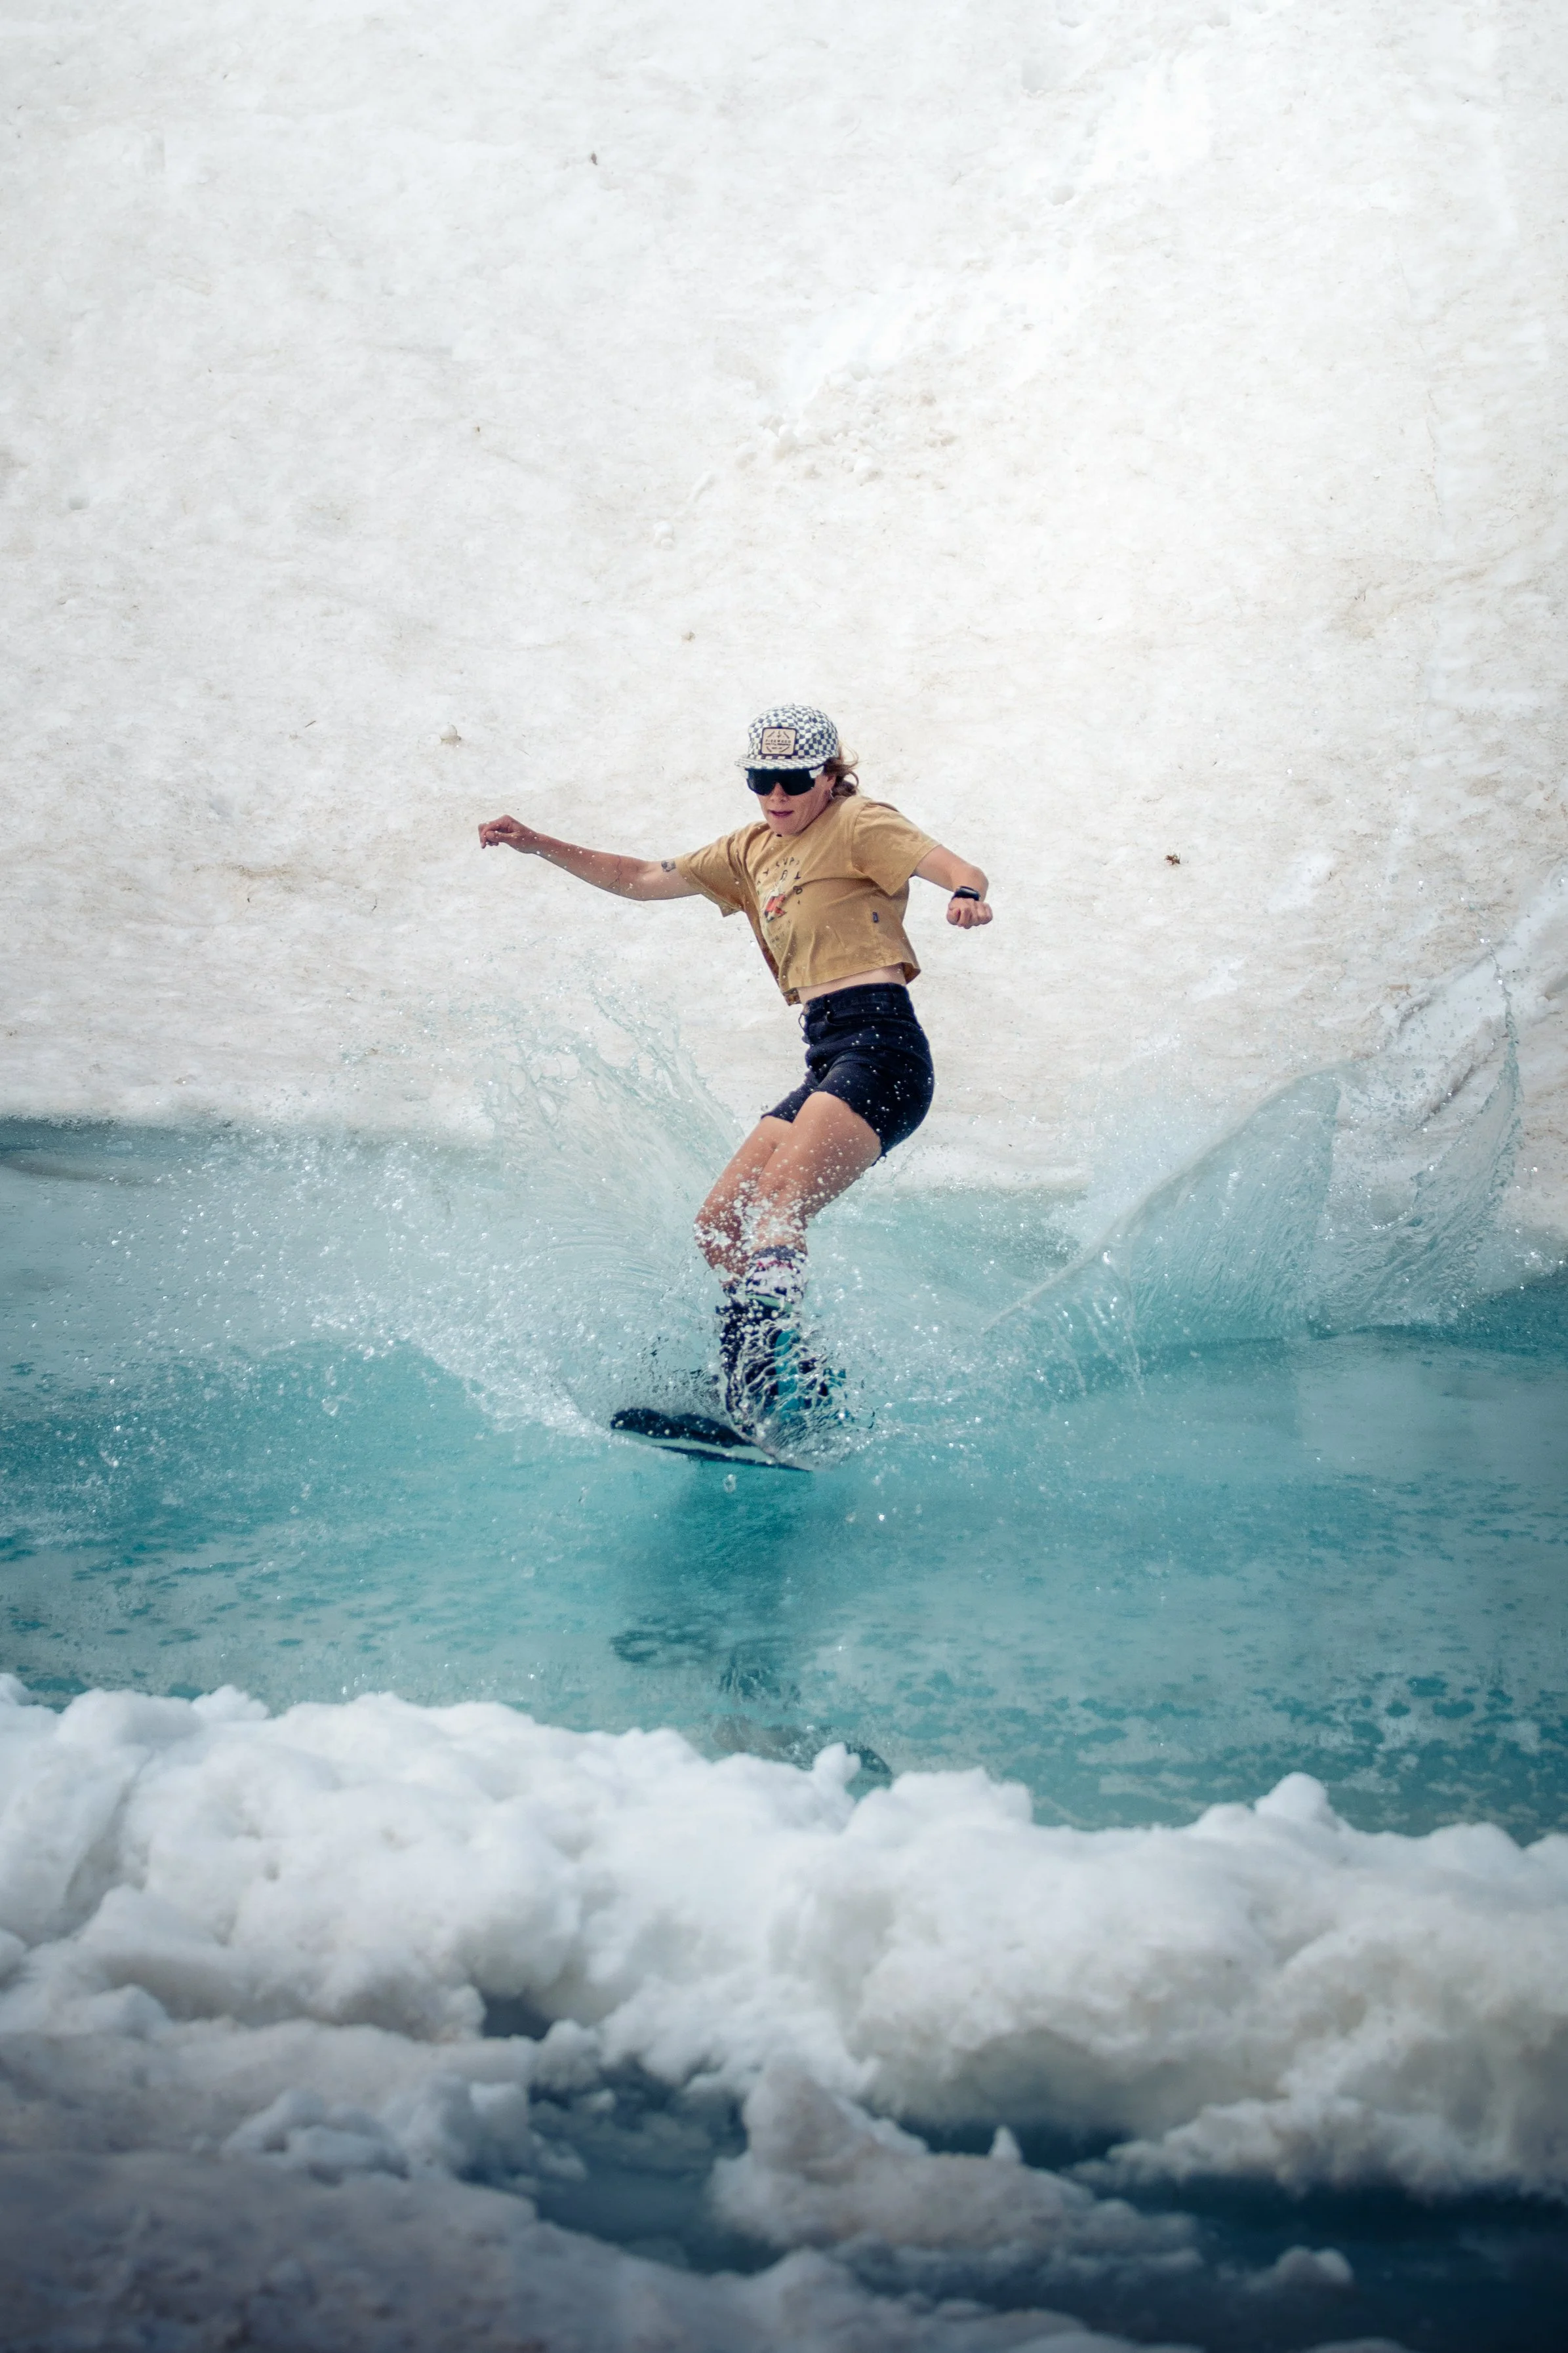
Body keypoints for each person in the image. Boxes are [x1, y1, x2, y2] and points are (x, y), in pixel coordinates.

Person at [479, 703, 992, 1441]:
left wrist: (969, 895)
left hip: (883, 1050)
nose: (777, 795)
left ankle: (768, 1383)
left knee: (782, 1198)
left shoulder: (859, 823)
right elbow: (637, 876)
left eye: (792, 780)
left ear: (828, 774)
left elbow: (956, 867)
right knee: (720, 1225)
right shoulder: (750, 849)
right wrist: (537, 844)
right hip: (826, 1054)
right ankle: (784, 1380)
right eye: (761, 780)